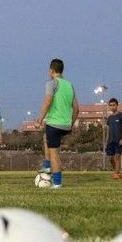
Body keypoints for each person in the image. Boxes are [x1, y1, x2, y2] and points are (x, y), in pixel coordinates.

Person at [34, 58, 79, 189]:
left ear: (51, 70)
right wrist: (71, 124)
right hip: (66, 124)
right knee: (45, 139)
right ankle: (48, 165)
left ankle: (57, 182)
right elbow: (77, 108)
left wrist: (39, 120)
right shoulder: (70, 85)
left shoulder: (51, 83)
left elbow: (47, 101)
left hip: (54, 123)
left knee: (54, 152)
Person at [106, 98, 122, 180]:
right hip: (110, 141)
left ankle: (116, 174)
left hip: (118, 141)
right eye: (111, 105)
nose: (112, 107)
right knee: (111, 159)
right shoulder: (109, 118)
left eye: (114, 105)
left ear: (117, 105)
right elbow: (108, 131)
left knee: (117, 157)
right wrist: (106, 141)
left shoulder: (121, 116)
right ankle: (118, 172)